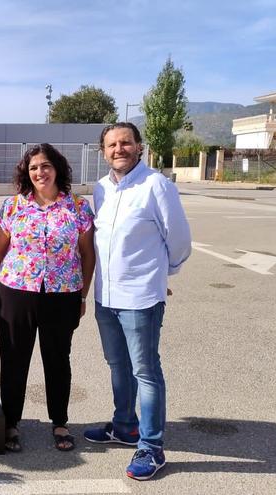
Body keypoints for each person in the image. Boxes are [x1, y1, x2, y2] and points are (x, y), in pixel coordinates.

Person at [83, 122, 191, 480]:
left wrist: (162, 276)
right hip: (106, 297)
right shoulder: (100, 190)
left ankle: (152, 446)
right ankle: (125, 426)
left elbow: (179, 240)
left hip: (141, 297)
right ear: (104, 152)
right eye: (112, 144)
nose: (119, 149)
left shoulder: (156, 185)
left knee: (145, 371)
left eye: (126, 143)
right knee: (117, 365)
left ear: (139, 147)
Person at [0, 144, 95, 453]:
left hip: (63, 296)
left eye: (45, 166)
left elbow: (88, 255)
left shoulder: (77, 207)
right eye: (34, 167)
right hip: (16, 293)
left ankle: (60, 422)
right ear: (27, 173)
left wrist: (82, 295)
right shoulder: (13, 206)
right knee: (13, 360)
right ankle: (10, 423)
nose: (40, 172)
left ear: (58, 168)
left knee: (58, 360)